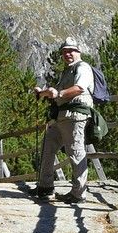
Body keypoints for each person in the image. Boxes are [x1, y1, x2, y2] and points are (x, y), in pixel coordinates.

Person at [29, 37, 94, 204]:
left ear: (79, 52)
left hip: (75, 117)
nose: (67, 54)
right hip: (61, 117)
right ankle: (45, 188)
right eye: (65, 51)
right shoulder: (67, 71)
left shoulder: (83, 68)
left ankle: (79, 193)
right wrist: (42, 92)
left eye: (71, 50)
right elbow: (55, 92)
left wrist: (59, 94)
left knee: (76, 152)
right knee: (47, 148)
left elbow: (79, 88)